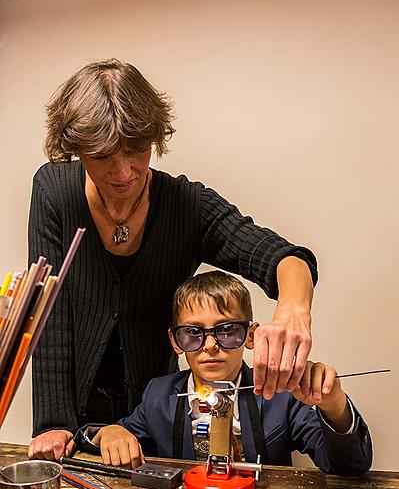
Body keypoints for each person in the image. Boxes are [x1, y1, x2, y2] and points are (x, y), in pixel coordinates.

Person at [28, 59, 318, 462]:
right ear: (75, 149)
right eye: (102, 157)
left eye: (136, 150)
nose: (124, 172)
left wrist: (293, 310)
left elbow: (281, 256)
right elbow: (48, 311)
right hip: (76, 418)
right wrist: (52, 423)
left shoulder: (187, 206)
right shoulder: (54, 192)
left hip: (155, 416)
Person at [91, 271, 372, 476]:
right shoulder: (159, 396)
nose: (211, 345)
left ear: (250, 336)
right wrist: (109, 432)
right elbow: (108, 439)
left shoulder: (282, 396)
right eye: (193, 333)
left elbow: (350, 466)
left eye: (227, 330)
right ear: (176, 342)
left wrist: (334, 405)